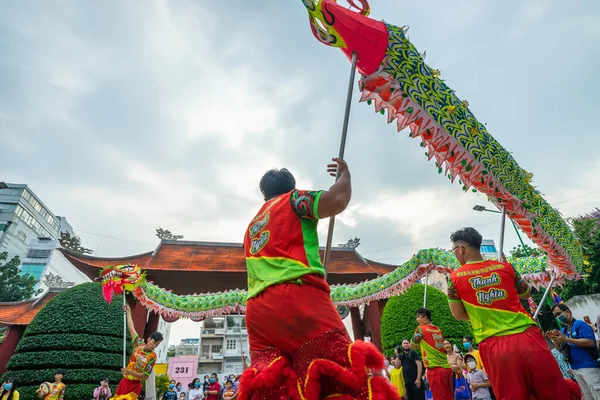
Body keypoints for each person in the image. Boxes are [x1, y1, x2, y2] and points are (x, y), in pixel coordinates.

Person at [240, 160, 399, 400]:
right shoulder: (293, 200)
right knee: (340, 372)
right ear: (291, 187)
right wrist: (345, 175)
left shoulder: (252, 226)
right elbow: (336, 200)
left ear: (264, 194)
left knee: (274, 385)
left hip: (257, 313)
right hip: (297, 297)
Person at [447, 227, 571, 400]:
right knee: (553, 391)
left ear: (461, 249)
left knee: (512, 395)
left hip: (494, 344)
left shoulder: (454, 278)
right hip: (528, 336)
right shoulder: (505, 267)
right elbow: (526, 294)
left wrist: (482, 312)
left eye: (453, 250)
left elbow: (458, 314)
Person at [112, 304, 163, 400]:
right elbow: (131, 328)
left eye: (157, 344)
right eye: (154, 342)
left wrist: (129, 372)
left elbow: (145, 376)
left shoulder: (152, 357)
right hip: (125, 382)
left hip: (135, 385)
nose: (154, 346)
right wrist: (128, 312)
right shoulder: (138, 344)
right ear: (149, 339)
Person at [549, 303, 600, 399]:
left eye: (559, 314)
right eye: (555, 316)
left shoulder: (580, 324)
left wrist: (567, 340)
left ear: (567, 312)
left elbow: (590, 342)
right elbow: (561, 350)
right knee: (588, 396)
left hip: (588, 366)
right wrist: (555, 340)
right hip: (575, 369)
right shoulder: (563, 330)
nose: (558, 317)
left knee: (597, 394)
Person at [410, 308, 453, 400]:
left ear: (425, 318)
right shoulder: (438, 329)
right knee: (449, 397)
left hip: (435, 369)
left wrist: (416, 338)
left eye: (418, 317)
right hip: (446, 369)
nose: (417, 319)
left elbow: (413, 346)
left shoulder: (420, 329)